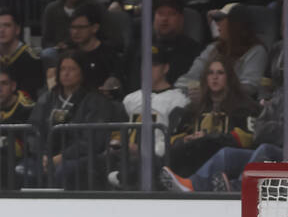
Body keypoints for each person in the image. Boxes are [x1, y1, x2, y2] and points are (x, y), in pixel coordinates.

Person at [162, 84, 280, 192]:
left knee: (266, 150)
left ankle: (236, 188)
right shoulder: (281, 95)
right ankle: (192, 185)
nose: (215, 77)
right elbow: (260, 132)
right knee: (227, 154)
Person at [27, 50, 116, 189]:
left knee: (64, 171)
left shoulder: (96, 101)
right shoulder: (47, 98)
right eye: (62, 69)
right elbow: (34, 130)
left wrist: (62, 157)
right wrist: (43, 156)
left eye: (72, 69)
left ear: (83, 72)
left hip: (80, 158)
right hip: (46, 157)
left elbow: (93, 140)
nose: (66, 73)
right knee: (24, 169)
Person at [162, 58, 257, 186]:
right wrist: (186, 139)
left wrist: (209, 137)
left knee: (205, 144)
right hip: (193, 158)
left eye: (220, 73)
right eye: (210, 73)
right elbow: (172, 140)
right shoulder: (191, 109)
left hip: (225, 162)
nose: (215, 77)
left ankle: (191, 184)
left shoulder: (244, 107)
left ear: (229, 77)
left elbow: (247, 139)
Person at [107, 45, 189, 189]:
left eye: (155, 65)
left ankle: (122, 178)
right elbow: (117, 132)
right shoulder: (130, 99)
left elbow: (175, 138)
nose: (148, 69)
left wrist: (142, 150)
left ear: (165, 68)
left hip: (156, 160)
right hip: (123, 157)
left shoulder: (179, 100)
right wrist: (117, 143)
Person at [175, 3, 266, 100]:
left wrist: (210, 92)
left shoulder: (256, 51)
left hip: (236, 107)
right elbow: (192, 75)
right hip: (203, 104)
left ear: (235, 24)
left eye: (221, 19)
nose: (217, 23)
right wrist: (176, 90)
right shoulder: (213, 48)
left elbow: (249, 87)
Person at [120, 0, 200, 91]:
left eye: (171, 14)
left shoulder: (192, 50)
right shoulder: (138, 46)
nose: (164, 19)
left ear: (181, 19)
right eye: (160, 13)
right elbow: (120, 72)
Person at [45, 4, 122, 95]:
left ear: (95, 28)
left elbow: (116, 81)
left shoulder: (108, 54)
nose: (75, 32)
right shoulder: (67, 51)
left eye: (81, 27)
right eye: (72, 27)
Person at [0, 8, 44, 101]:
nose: (1, 30)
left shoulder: (31, 59)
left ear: (17, 29)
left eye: (7, 25)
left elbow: (31, 97)